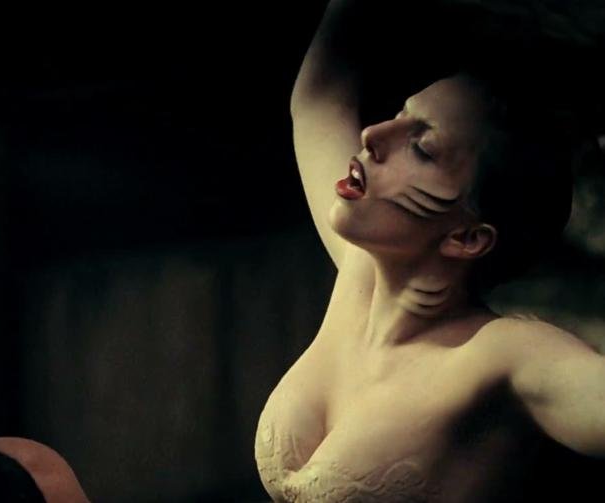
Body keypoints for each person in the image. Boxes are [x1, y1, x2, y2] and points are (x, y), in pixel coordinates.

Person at [255, 0, 605, 501]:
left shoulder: (505, 356)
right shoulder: (361, 275)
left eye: (422, 148)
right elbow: (320, 98)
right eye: (400, 115)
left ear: (467, 238)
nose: (372, 136)